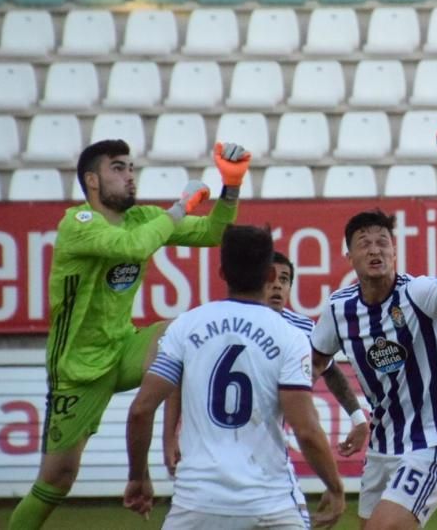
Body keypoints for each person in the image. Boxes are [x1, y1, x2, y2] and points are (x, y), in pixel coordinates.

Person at [8, 139, 250, 529]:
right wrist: (179, 206)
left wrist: (232, 185)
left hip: (123, 348)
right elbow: (133, 248)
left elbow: (212, 233)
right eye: (118, 169)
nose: (129, 177)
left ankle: (180, 450)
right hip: (77, 368)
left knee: (186, 331)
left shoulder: (142, 218)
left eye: (132, 168)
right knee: (57, 479)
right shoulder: (78, 223)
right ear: (92, 180)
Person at [124, 225, 345, 529]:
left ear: (222, 273)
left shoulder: (186, 326)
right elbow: (306, 429)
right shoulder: (290, 336)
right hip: (269, 504)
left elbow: (140, 410)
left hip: (195, 504)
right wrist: (335, 487)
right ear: (269, 275)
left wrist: (138, 477)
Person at [161, 250, 369, 528]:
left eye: (285, 279)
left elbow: (331, 371)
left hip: (234, 469)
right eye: (272, 277)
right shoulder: (223, 322)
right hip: (255, 481)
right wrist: (170, 436)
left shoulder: (300, 328)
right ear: (259, 279)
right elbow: (177, 378)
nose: (277, 285)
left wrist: (357, 417)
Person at [309, 209, 437, 529]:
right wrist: (355, 416)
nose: (375, 250)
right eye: (364, 243)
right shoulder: (340, 309)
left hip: (431, 439)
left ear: (395, 250)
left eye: (383, 242)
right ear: (348, 255)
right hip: (382, 443)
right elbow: (317, 363)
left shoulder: (417, 293)